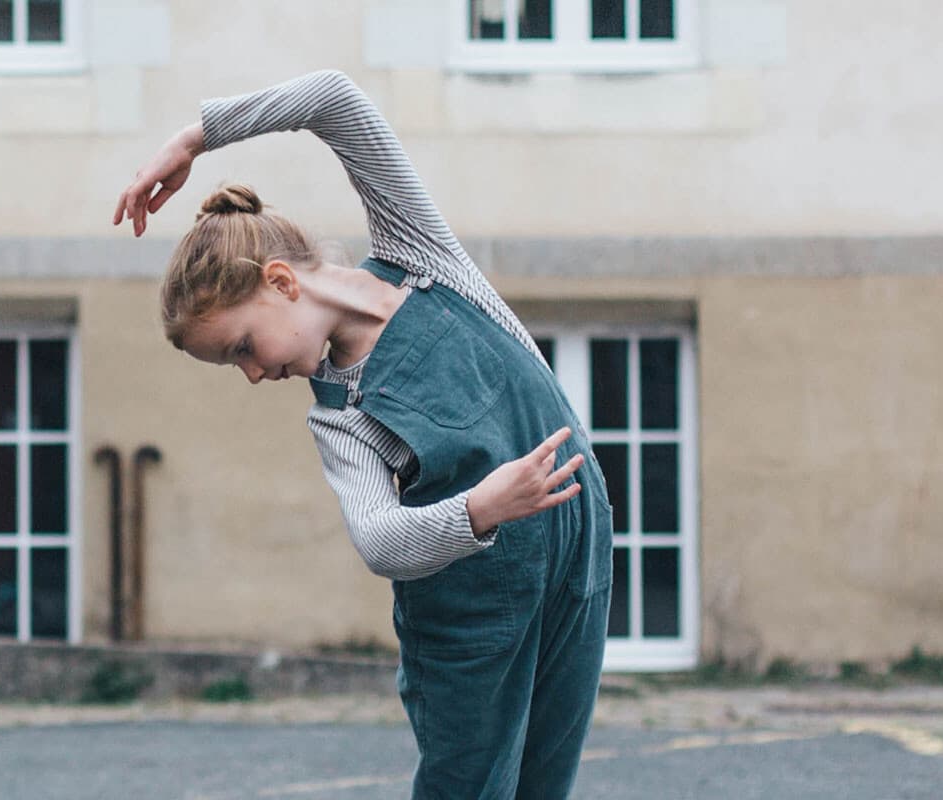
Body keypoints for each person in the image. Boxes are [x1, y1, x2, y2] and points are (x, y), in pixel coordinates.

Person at [110, 69, 615, 800]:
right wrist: (479, 510)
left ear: (281, 282)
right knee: (467, 786)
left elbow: (335, 101)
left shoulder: (423, 259)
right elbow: (380, 539)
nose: (252, 375)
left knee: (545, 783)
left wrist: (196, 137)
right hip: (470, 604)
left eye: (242, 348)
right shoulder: (341, 415)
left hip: (575, 543)